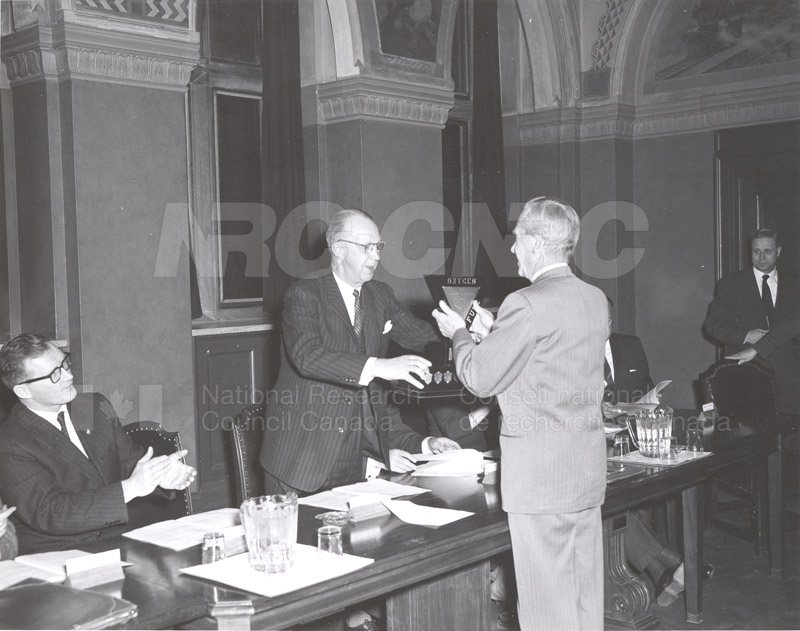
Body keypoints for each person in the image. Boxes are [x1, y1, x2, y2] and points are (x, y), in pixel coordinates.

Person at [433, 196, 608, 630]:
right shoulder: (594, 298)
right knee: (584, 601)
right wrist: (493, 336)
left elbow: (478, 378)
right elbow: (551, 360)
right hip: (583, 473)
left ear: (535, 243)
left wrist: (458, 334)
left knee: (547, 611)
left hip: (541, 482)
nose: (512, 249)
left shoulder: (525, 302)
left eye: (516, 240)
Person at [259, 208, 459, 496]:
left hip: (354, 462)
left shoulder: (381, 295)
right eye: (367, 247)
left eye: (378, 247)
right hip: (300, 461)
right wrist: (379, 365)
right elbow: (308, 357)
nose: (377, 256)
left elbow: (424, 339)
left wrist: (464, 333)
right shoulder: (304, 295)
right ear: (339, 249)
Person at [0, 334, 197, 554]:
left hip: (117, 540)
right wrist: (132, 487)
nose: (68, 375)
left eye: (64, 363)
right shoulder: (10, 442)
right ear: (23, 390)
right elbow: (52, 512)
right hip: (60, 554)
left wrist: (161, 476)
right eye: (54, 374)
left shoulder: (94, 405)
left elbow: (129, 462)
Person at [704, 229, 800, 415]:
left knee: (791, 438)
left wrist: (760, 345)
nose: (761, 257)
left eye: (767, 251)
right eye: (756, 251)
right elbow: (713, 325)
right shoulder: (731, 283)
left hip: (787, 377)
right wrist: (747, 335)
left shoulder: (795, 285)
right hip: (745, 375)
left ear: (778, 251)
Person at [425, 399, 499, 452]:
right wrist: (491, 403)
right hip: (448, 459)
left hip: (480, 455)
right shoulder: (440, 389)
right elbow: (453, 430)